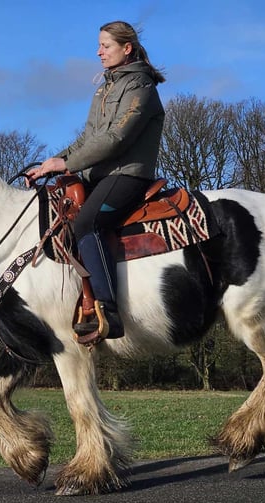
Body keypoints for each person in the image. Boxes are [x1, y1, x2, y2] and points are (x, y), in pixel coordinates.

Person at [26, 20, 165, 340]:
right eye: (100, 45)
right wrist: (53, 163)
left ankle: (108, 311)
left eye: (106, 46)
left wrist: (68, 162)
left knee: (87, 224)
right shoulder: (105, 87)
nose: (98, 52)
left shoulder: (140, 87)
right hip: (99, 174)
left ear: (126, 48)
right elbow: (88, 138)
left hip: (127, 175)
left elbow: (117, 139)